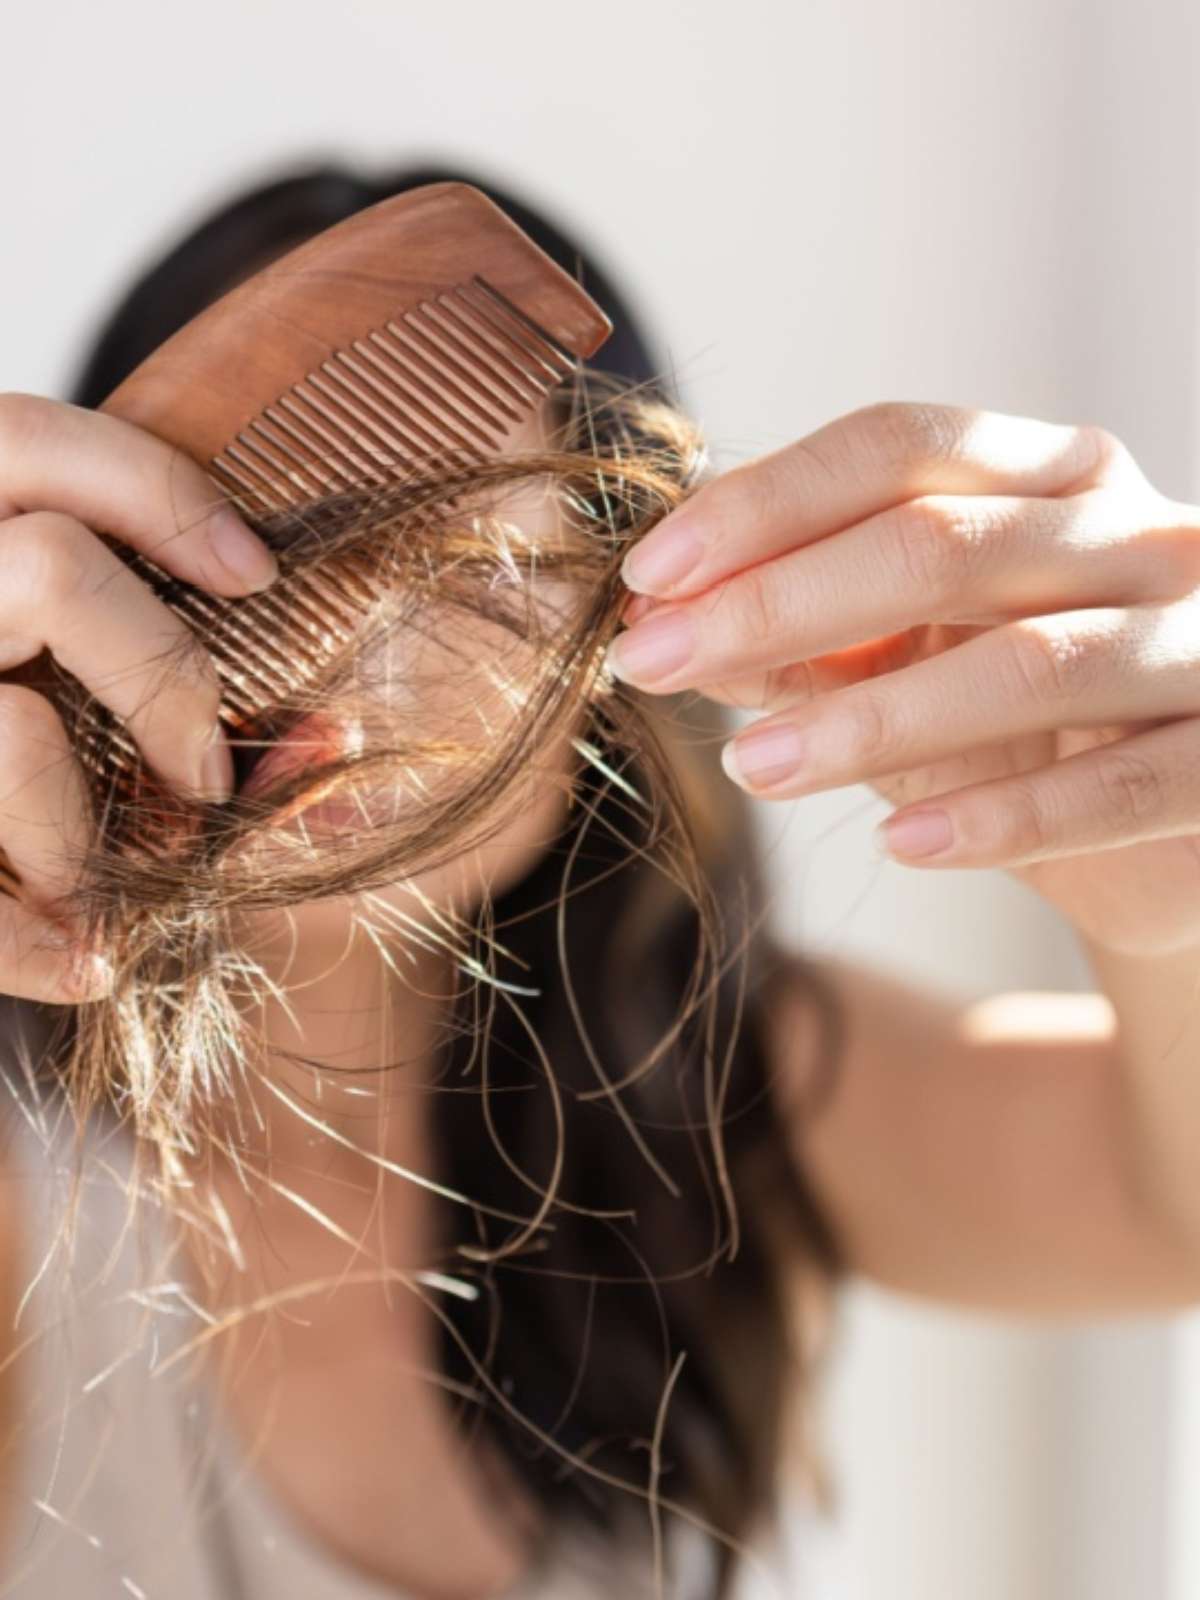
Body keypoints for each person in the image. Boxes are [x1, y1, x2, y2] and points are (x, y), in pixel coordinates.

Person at [1, 160, 1200, 1600]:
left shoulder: (719, 1091)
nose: (354, 674)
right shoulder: (34, 1192)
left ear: (616, 674)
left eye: (482, 586)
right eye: (260, 559)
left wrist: (1166, 903)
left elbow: (1164, 1212)